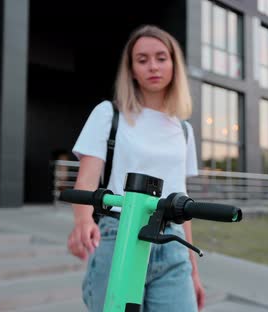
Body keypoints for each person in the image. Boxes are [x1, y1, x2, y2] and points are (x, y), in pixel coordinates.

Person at [67, 25, 204, 312]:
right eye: (142, 60)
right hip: (120, 236)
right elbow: (87, 181)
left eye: (161, 58)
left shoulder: (184, 130)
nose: (152, 66)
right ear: (130, 70)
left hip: (173, 242)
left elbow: (181, 198)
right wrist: (83, 222)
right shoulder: (109, 114)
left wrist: (194, 270)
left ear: (174, 64)